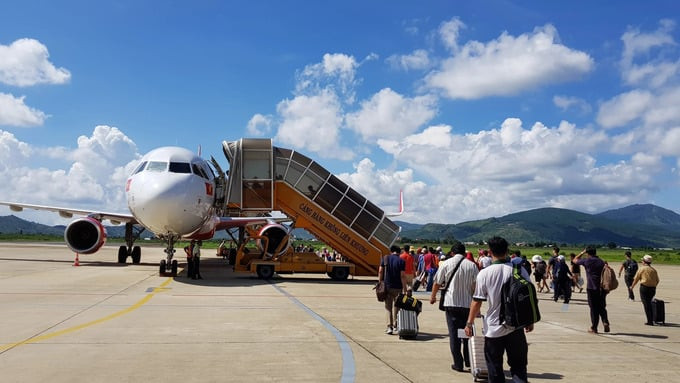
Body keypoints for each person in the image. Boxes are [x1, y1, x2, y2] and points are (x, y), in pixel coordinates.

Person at [465, 236, 532, 383]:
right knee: (519, 367)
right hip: (516, 326)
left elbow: (477, 301)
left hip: (494, 328)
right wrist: (529, 320)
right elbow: (528, 297)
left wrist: (469, 323)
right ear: (507, 251)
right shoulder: (519, 271)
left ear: (489, 252)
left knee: (494, 367)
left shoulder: (485, 273)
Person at [430, 241, 478, 372]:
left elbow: (437, 282)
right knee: (467, 334)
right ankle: (469, 360)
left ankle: (458, 363)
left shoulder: (446, 263)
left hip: (451, 304)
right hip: (467, 305)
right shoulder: (472, 266)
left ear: (452, 252)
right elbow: (475, 287)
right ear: (464, 253)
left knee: (454, 335)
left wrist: (433, 297)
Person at [573, 246, 610, 333]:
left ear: (587, 253)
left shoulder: (587, 261)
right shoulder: (601, 261)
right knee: (601, 306)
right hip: (602, 288)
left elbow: (575, 260)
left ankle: (594, 327)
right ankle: (605, 321)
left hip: (591, 287)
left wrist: (582, 252)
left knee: (593, 308)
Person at [378, 245, 408, 335]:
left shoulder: (385, 258)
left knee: (388, 307)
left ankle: (389, 327)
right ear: (399, 252)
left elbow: (380, 271)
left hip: (387, 286)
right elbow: (402, 276)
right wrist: (405, 288)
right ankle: (396, 325)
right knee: (397, 307)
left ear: (391, 251)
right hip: (398, 287)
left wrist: (380, 283)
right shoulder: (401, 261)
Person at [631, 255, 660, 325]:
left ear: (644, 262)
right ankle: (653, 319)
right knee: (650, 303)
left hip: (644, 288)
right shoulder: (653, 270)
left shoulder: (642, 269)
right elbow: (657, 280)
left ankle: (650, 321)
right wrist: (653, 286)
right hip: (653, 289)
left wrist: (632, 287)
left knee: (646, 304)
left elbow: (636, 278)